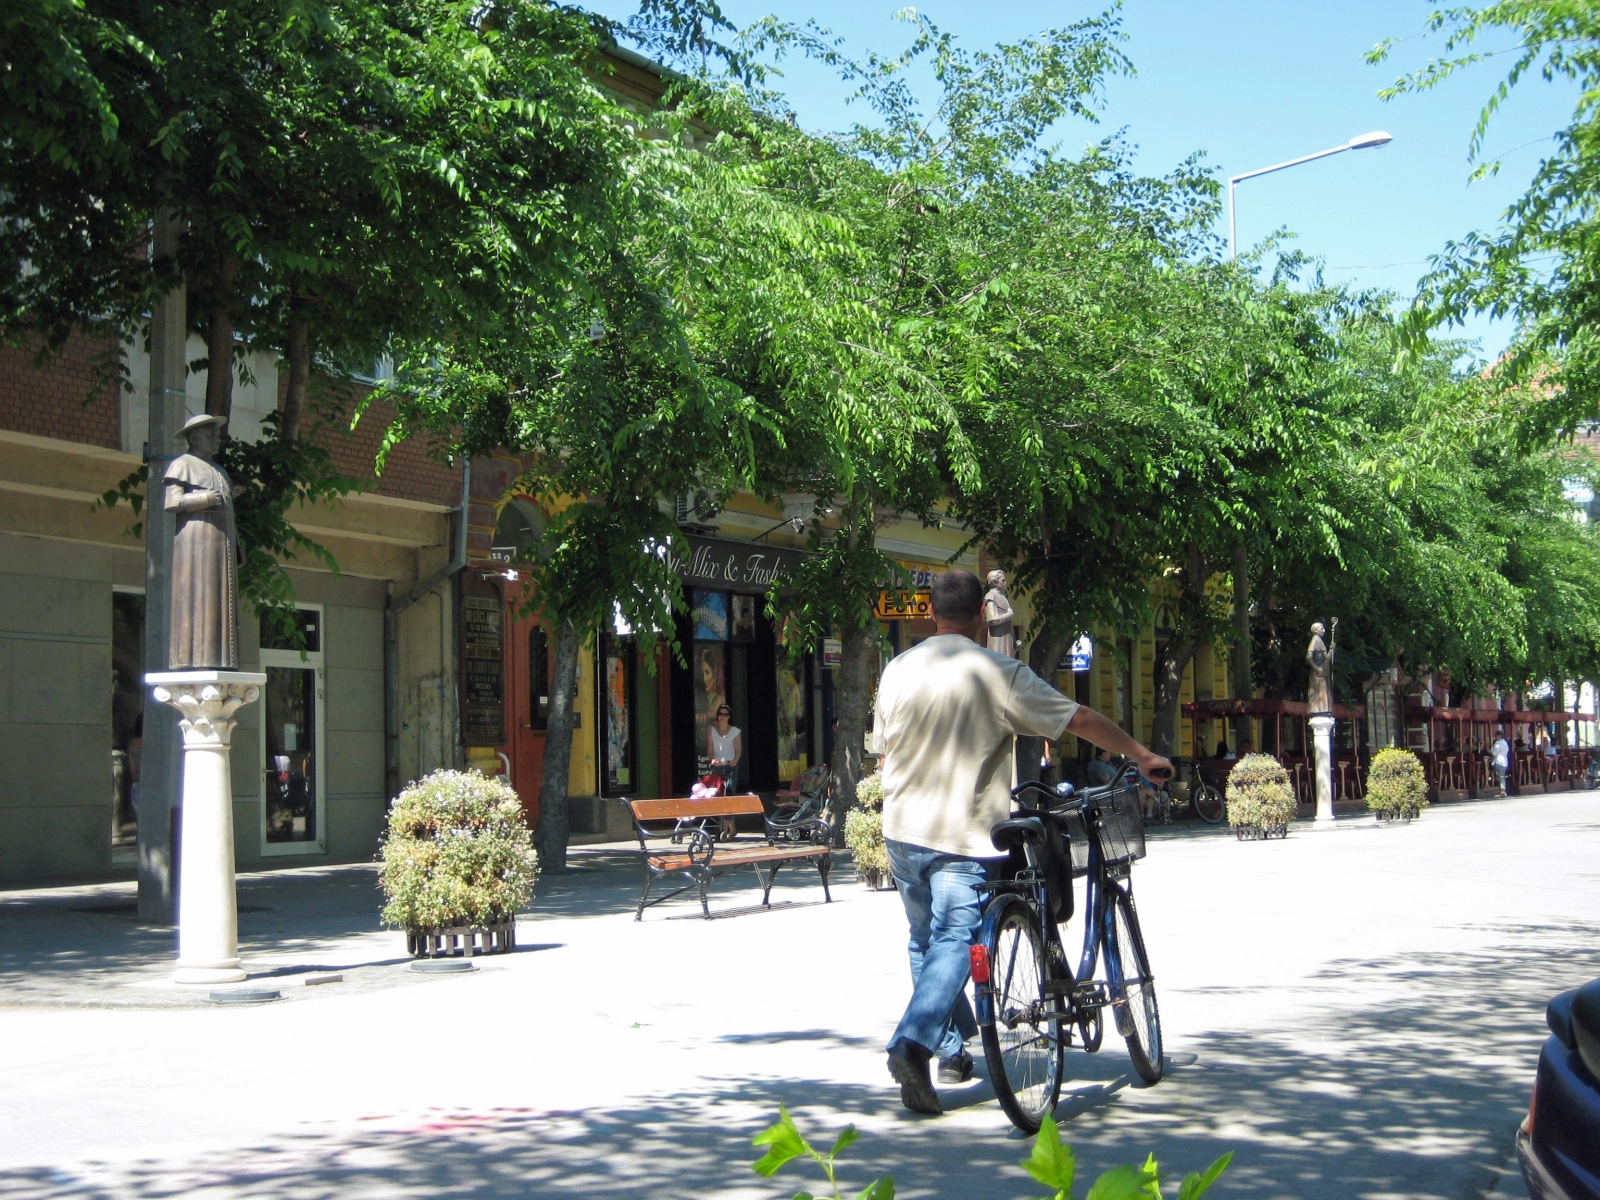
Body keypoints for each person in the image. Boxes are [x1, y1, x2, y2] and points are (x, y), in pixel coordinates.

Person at [870, 569, 1172, 1115]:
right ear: (983, 616)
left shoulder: (896, 671)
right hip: (960, 835)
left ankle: (949, 1047)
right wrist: (1139, 754)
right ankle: (913, 1045)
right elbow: (1074, 717)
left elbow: (884, 753)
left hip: (900, 832)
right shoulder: (996, 672)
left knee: (925, 942)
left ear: (930, 612)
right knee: (957, 939)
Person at [1491, 728, 1511, 794]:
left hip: (1498, 761)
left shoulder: (1498, 743)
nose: (1495, 737)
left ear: (1500, 736)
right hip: (1504, 761)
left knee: (1500, 776)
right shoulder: (1505, 743)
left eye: (1496, 736)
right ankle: (1502, 790)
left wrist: (1490, 751)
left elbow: (1494, 753)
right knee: (1502, 775)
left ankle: (1502, 790)